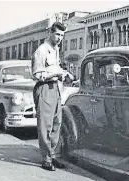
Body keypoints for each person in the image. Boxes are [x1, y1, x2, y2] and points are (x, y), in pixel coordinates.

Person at [31, 22, 73, 171]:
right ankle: (46, 159)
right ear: (50, 32)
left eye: (62, 35)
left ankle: (53, 156)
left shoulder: (55, 49)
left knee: (57, 123)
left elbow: (56, 69)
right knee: (45, 125)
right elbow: (37, 74)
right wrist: (56, 74)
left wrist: (64, 75)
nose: (60, 38)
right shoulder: (41, 51)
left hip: (55, 88)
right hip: (44, 89)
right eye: (57, 34)